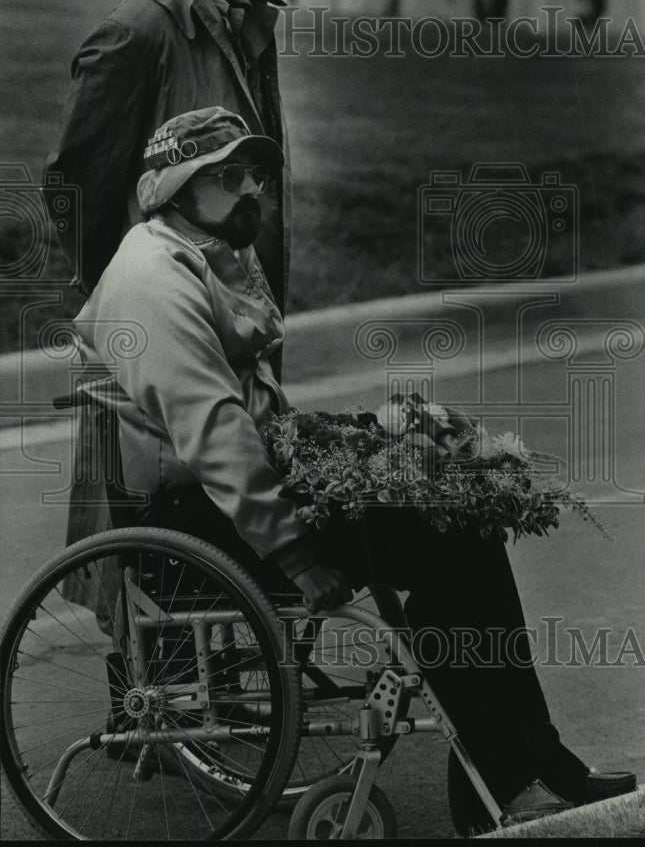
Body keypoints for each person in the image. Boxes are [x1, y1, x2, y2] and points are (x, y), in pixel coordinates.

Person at [71, 106, 635, 830]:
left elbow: (257, 416)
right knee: (447, 543)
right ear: (175, 189)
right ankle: (508, 780)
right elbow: (213, 433)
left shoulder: (208, 252)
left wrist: (366, 443)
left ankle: (532, 763)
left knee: (460, 519)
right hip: (194, 514)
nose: (252, 191)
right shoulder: (153, 277)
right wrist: (300, 554)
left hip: (229, 491)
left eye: (257, 175)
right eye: (227, 176)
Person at [45, 0, 290, 317]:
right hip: (174, 313)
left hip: (246, 305)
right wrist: (126, 297)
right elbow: (75, 183)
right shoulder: (134, 32)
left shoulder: (248, 14)